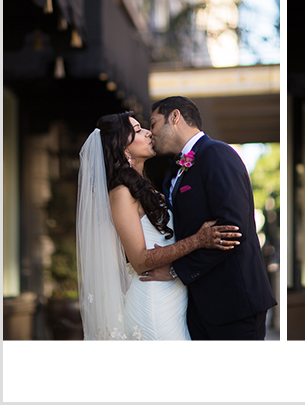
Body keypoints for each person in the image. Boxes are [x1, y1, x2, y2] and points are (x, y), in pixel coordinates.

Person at [76, 112, 240, 340]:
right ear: (123, 147)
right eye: (137, 130)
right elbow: (140, 260)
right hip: (153, 300)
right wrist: (198, 240)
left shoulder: (145, 187)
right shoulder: (121, 193)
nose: (148, 132)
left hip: (172, 296)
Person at [142, 96, 277, 340]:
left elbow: (232, 228)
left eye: (153, 124)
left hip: (233, 301)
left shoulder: (217, 154)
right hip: (198, 304)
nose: (151, 133)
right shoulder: (173, 171)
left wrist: (176, 270)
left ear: (175, 117)